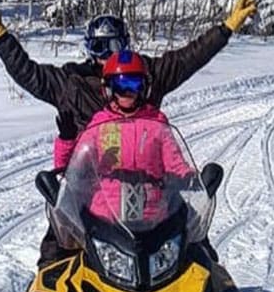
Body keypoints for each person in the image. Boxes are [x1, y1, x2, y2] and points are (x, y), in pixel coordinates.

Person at [0, 0, 255, 260]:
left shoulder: (145, 73)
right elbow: (28, 73)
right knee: (56, 249)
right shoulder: (71, 82)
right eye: (99, 47)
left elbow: (189, 58)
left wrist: (226, 28)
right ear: (89, 49)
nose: (107, 55)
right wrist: (0, 35)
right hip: (92, 190)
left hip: (150, 188)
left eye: (114, 46)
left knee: (196, 246)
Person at [71, 50, 198, 228]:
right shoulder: (99, 124)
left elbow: (174, 160)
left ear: (144, 87)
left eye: (134, 84)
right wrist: (66, 140)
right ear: (109, 88)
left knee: (193, 238)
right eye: (121, 85)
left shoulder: (156, 122)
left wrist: (190, 178)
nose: (128, 92)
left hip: (152, 216)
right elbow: (75, 165)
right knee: (66, 247)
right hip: (105, 218)